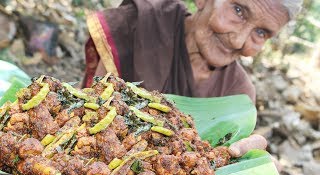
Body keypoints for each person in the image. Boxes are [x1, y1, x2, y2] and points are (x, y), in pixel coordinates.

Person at [83, 0, 302, 159]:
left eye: (261, 33)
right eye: (238, 10)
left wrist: (245, 159)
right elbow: (91, 116)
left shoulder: (238, 93)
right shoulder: (140, 24)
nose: (238, 40)